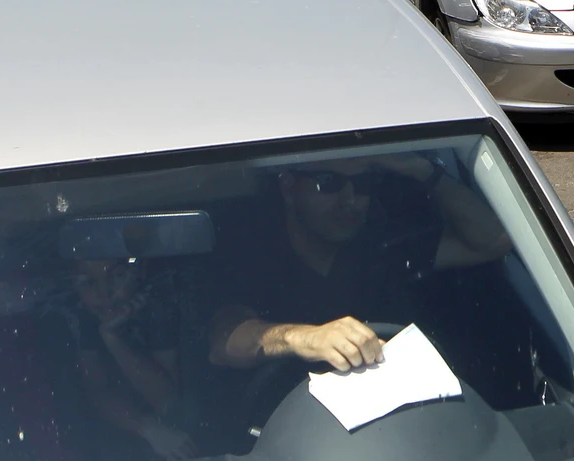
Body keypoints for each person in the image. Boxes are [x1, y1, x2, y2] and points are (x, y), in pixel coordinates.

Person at [209, 154, 509, 374]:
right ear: (288, 188)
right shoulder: (253, 250)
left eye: (363, 184)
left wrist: (423, 171)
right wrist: (304, 338)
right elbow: (224, 342)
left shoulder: (381, 245)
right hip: (281, 433)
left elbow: (493, 243)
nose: (350, 199)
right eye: (329, 183)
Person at [63, 258, 195, 461]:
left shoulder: (161, 302)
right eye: (88, 282)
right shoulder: (79, 312)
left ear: (139, 272)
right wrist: (149, 429)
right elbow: (96, 389)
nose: (104, 293)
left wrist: (113, 340)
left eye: (117, 276)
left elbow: (169, 403)